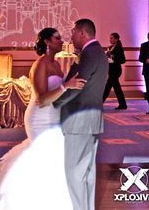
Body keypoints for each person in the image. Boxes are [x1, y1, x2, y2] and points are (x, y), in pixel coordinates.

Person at [0, 27, 85, 210]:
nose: (61, 41)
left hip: (55, 117)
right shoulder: (40, 64)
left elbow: (58, 94)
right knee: (43, 156)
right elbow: (42, 99)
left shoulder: (57, 64)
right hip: (39, 118)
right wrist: (66, 86)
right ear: (47, 42)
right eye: (57, 38)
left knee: (54, 157)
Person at [53, 19, 109, 210]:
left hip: (79, 120)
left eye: (73, 32)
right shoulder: (99, 52)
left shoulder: (87, 55)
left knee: (74, 172)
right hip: (93, 120)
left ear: (82, 33)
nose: (71, 36)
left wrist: (56, 101)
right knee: (87, 172)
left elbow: (77, 85)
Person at [103, 32, 127, 110]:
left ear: (116, 39)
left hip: (116, 70)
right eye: (110, 38)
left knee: (108, 87)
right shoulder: (109, 47)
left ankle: (99, 103)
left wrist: (113, 60)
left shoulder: (119, 48)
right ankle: (123, 104)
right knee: (117, 88)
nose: (110, 39)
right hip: (111, 70)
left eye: (112, 38)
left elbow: (123, 60)